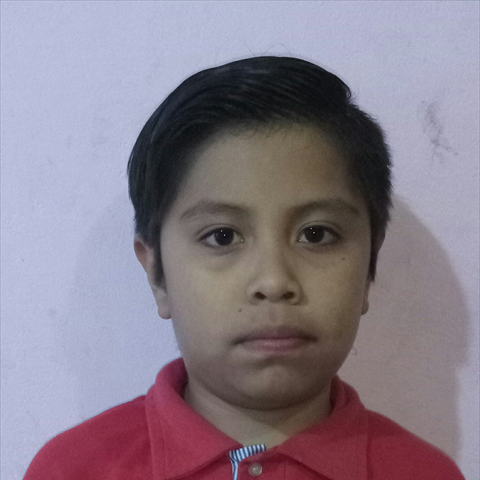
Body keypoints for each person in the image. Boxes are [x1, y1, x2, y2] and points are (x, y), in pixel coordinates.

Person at [24, 56, 464, 479]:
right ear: (157, 275)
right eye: (222, 236)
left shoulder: (425, 474)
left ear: (369, 266)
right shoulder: (71, 470)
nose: (273, 281)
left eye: (316, 234)